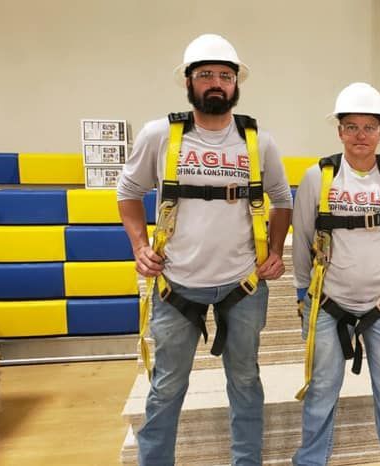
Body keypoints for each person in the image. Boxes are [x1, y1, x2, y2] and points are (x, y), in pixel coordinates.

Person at [117, 33, 293, 466]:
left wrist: (275, 250)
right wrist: (139, 245)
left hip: (243, 286)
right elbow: (128, 191)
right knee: (167, 387)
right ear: (189, 83)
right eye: (206, 75)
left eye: (225, 76)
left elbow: (283, 200)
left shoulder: (259, 142)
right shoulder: (160, 135)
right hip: (176, 287)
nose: (216, 83)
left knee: (246, 382)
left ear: (236, 84)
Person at [291, 82, 380, 466]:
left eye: (369, 127)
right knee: (320, 391)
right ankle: (312, 461)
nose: (360, 136)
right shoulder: (318, 178)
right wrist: (304, 292)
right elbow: (302, 237)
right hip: (329, 303)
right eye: (351, 127)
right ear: (339, 131)